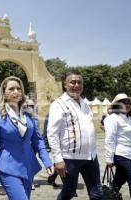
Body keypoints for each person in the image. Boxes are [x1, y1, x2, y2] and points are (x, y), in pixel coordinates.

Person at [0, 76, 54, 200]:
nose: (16, 92)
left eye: (18, 88)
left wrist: (47, 161)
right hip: (8, 168)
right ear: (4, 92)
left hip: (28, 166)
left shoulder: (29, 114)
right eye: (11, 89)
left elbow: (38, 140)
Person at [47, 72, 103, 200]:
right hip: (69, 159)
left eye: (79, 82)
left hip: (91, 157)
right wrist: (58, 159)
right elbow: (52, 133)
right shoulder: (58, 104)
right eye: (72, 82)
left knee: (97, 193)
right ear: (65, 85)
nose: (76, 85)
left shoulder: (85, 104)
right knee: (69, 192)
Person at [105, 93, 131, 200]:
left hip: (129, 155)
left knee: (120, 180)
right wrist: (109, 158)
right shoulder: (112, 118)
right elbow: (110, 139)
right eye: (123, 102)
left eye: (128, 102)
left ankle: (109, 196)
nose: (126, 105)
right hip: (119, 155)